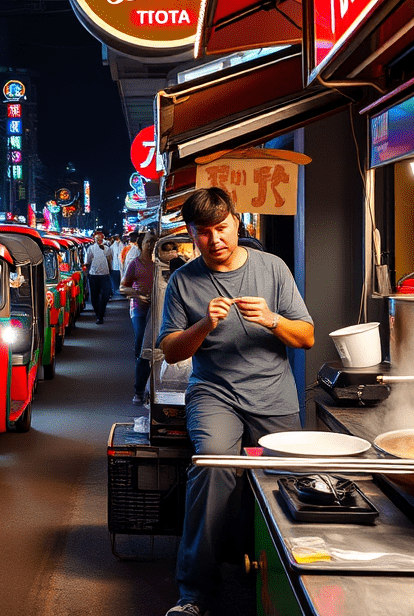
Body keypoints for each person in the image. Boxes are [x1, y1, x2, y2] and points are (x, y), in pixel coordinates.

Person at [157, 188, 315, 616]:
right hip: (214, 392)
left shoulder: (273, 268)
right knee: (212, 466)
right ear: (191, 234)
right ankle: (195, 594)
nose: (216, 239)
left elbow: (307, 337)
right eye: (204, 232)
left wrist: (273, 319)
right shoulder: (183, 281)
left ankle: (298, 579)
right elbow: (172, 351)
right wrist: (205, 323)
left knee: (288, 478)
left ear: (236, 223)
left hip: (273, 392)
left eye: (222, 227)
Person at [121, 234, 156, 405]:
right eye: (148, 242)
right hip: (139, 311)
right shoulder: (135, 264)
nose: (151, 245)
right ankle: (139, 391)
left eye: (153, 242)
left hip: (156, 311)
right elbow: (123, 287)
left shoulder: (159, 265)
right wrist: (137, 295)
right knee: (143, 348)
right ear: (141, 245)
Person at [83, 231, 112, 324]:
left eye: (100, 238)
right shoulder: (90, 249)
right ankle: (98, 315)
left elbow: (109, 258)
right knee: (94, 297)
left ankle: (101, 314)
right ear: (94, 239)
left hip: (104, 275)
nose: (99, 240)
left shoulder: (107, 249)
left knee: (105, 296)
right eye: (97, 238)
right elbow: (87, 261)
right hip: (94, 275)